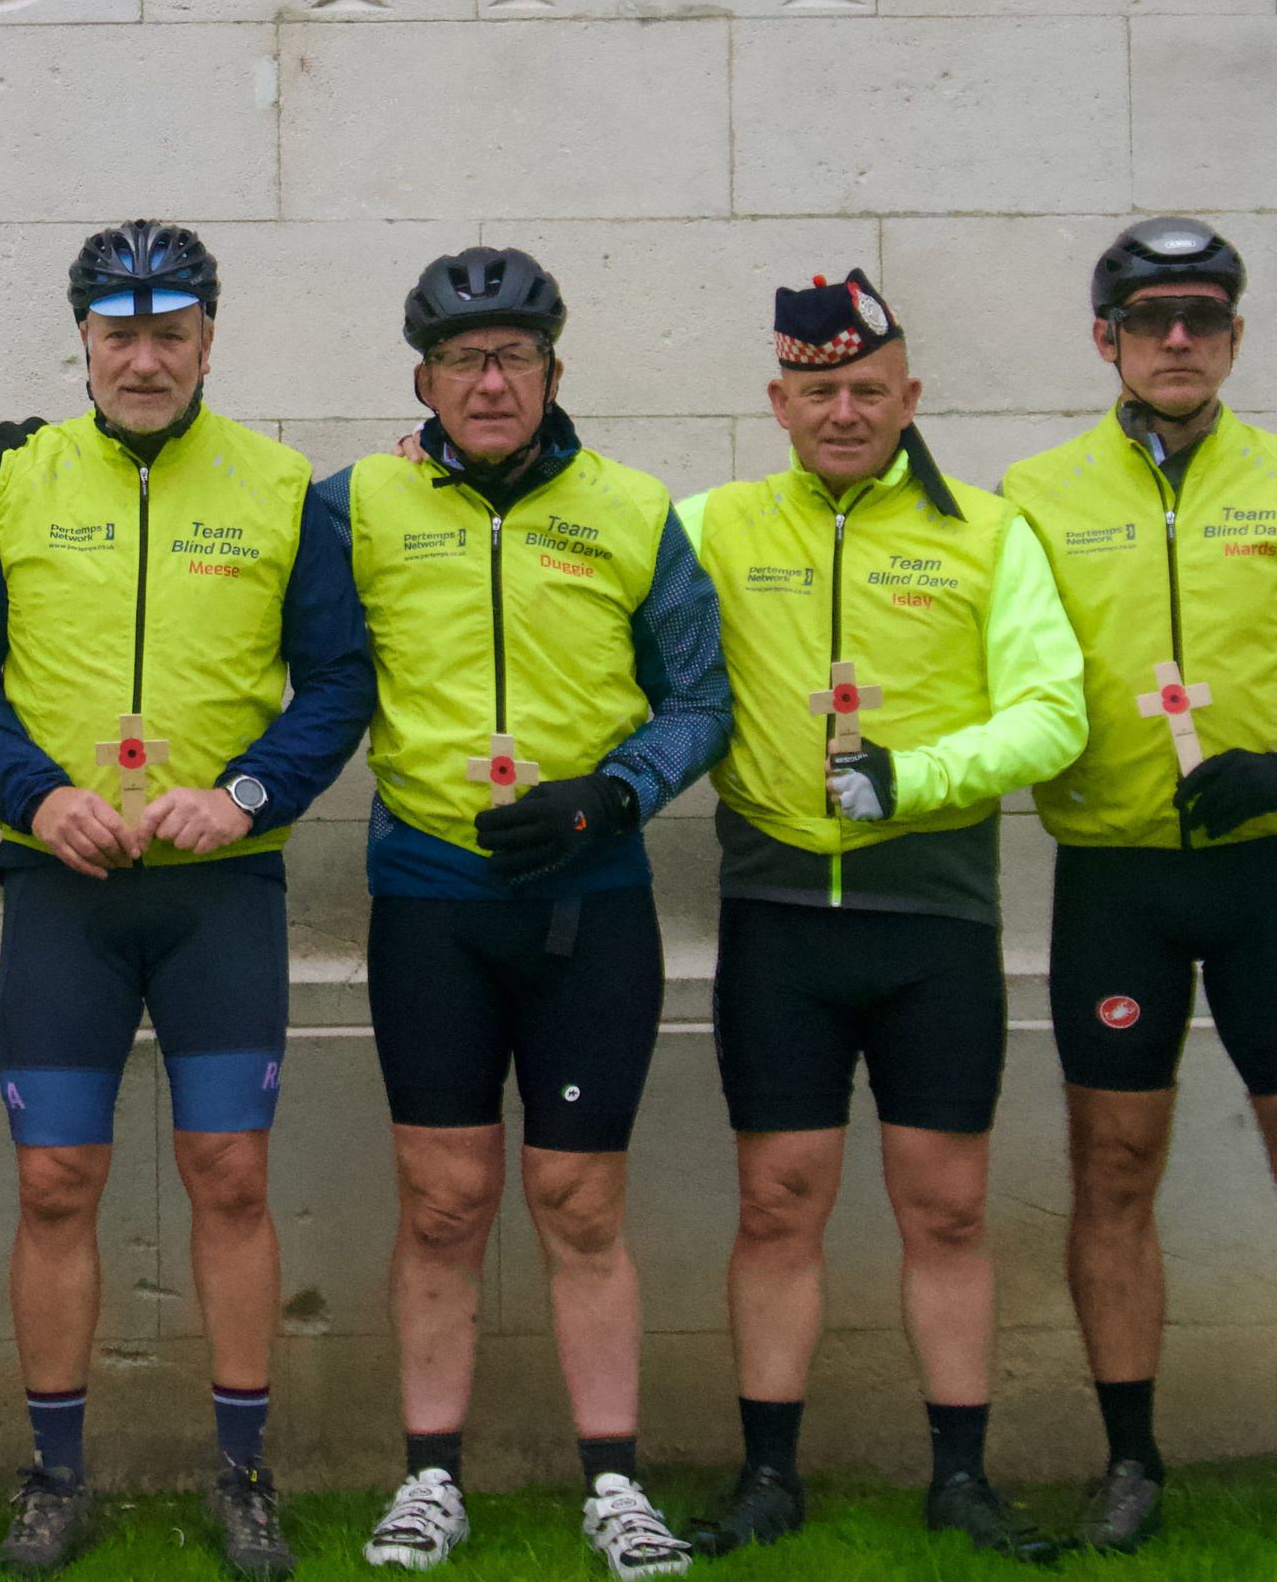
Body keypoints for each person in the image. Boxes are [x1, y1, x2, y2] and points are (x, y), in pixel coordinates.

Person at [0, 221, 373, 1580]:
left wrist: (245, 794)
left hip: (219, 894)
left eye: (167, 334)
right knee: (58, 1180)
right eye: (117, 335)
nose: (142, 358)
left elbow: (339, 684)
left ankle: (240, 1475)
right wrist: (31, 790)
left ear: (207, 342)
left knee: (228, 1173)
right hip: (64, 887)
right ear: (81, 343)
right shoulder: (15, 482)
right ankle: (53, 1476)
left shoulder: (282, 486)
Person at [1001, 219, 1277, 1576]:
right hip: (1115, 881)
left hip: (1269, 877)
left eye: (1202, 316)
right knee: (1114, 1170)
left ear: (1236, 336)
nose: (1176, 339)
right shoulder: (1034, 492)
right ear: (1105, 340)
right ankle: (1130, 1465)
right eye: (1149, 319)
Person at [320, 250, 725, 1581]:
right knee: (444, 1201)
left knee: (579, 1198)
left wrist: (615, 795)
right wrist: (37, 476)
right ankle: (430, 1478)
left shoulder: (631, 507)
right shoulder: (359, 503)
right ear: (422, 379)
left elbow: (699, 698)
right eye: (462, 361)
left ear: (553, 371)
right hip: (430, 899)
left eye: (514, 358)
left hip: (588, 902)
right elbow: (213, 552)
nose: (489, 383)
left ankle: (612, 1481)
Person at [677, 271, 1083, 1566]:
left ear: (910, 396)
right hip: (779, 914)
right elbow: (566, 567)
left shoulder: (990, 530)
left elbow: (1052, 710)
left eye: (867, 389)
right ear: (778, 402)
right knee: (779, 1201)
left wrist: (915, 776)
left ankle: (961, 1480)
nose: (843, 410)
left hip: (934, 918)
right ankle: (767, 1479)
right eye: (818, 390)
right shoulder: (708, 527)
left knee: (947, 1206)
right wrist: (407, 470)